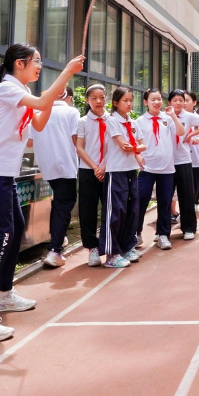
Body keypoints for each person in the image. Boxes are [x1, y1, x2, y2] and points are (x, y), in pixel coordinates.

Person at [0, 44, 84, 343]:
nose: (40, 66)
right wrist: (66, 72)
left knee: (15, 229)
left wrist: (57, 91)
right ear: (19, 63)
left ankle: (4, 295)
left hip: (4, 174)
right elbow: (41, 103)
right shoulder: (7, 89)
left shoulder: (21, 93)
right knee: (1, 238)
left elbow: (39, 122)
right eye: (36, 61)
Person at [32, 86, 80, 268]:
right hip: (65, 165)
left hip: (46, 165)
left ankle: (58, 238)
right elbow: (77, 140)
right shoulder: (71, 112)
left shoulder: (39, 112)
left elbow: (29, 140)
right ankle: (55, 250)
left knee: (58, 202)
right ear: (69, 98)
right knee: (64, 204)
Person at [134, 88, 185, 250]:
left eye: (159, 99)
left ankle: (163, 234)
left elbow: (181, 132)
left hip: (166, 169)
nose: (156, 102)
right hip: (147, 169)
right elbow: (133, 142)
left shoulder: (167, 119)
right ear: (145, 102)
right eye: (153, 99)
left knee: (165, 203)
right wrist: (137, 156)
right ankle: (136, 233)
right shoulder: (139, 121)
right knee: (141, 200)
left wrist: (173, 116)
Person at [102, 86, 144, 267]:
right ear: (115, 103)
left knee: (131, 210)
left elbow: (142, 145)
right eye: (125, 100)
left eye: (131, 100)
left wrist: (136, 148)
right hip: (116, 170)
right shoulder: (112, 120)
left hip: (131, 169)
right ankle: (112, 254)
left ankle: (127, 247)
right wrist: (137, 148)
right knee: (116, 212)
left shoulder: (133, 123)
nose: (129, 104)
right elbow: (123, 145)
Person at [75, 84, 110, 267]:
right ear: (87, 100)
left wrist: (104, 166)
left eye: (101, 97)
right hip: (88, 170)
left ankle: (110, 246)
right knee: (87, 210)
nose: (98, 101)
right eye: (94, 98)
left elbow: (115, 146)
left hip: (109, 168)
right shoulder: (82, 122)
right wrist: (96, 167)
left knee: (110, 209)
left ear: (106, 98)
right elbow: (79, 147)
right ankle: (92, 248)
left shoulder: (112, 120)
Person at [169, 90, 199, 240]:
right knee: (166, 196)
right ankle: (162, 231)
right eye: (176, 100)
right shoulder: (165, 117)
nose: (179, 103)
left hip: (184, 160)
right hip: (167, 161)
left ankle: (189, 228)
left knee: (186, 195)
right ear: (169, 102)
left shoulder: (189, 116)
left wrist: (191, 134)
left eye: (182, 100)